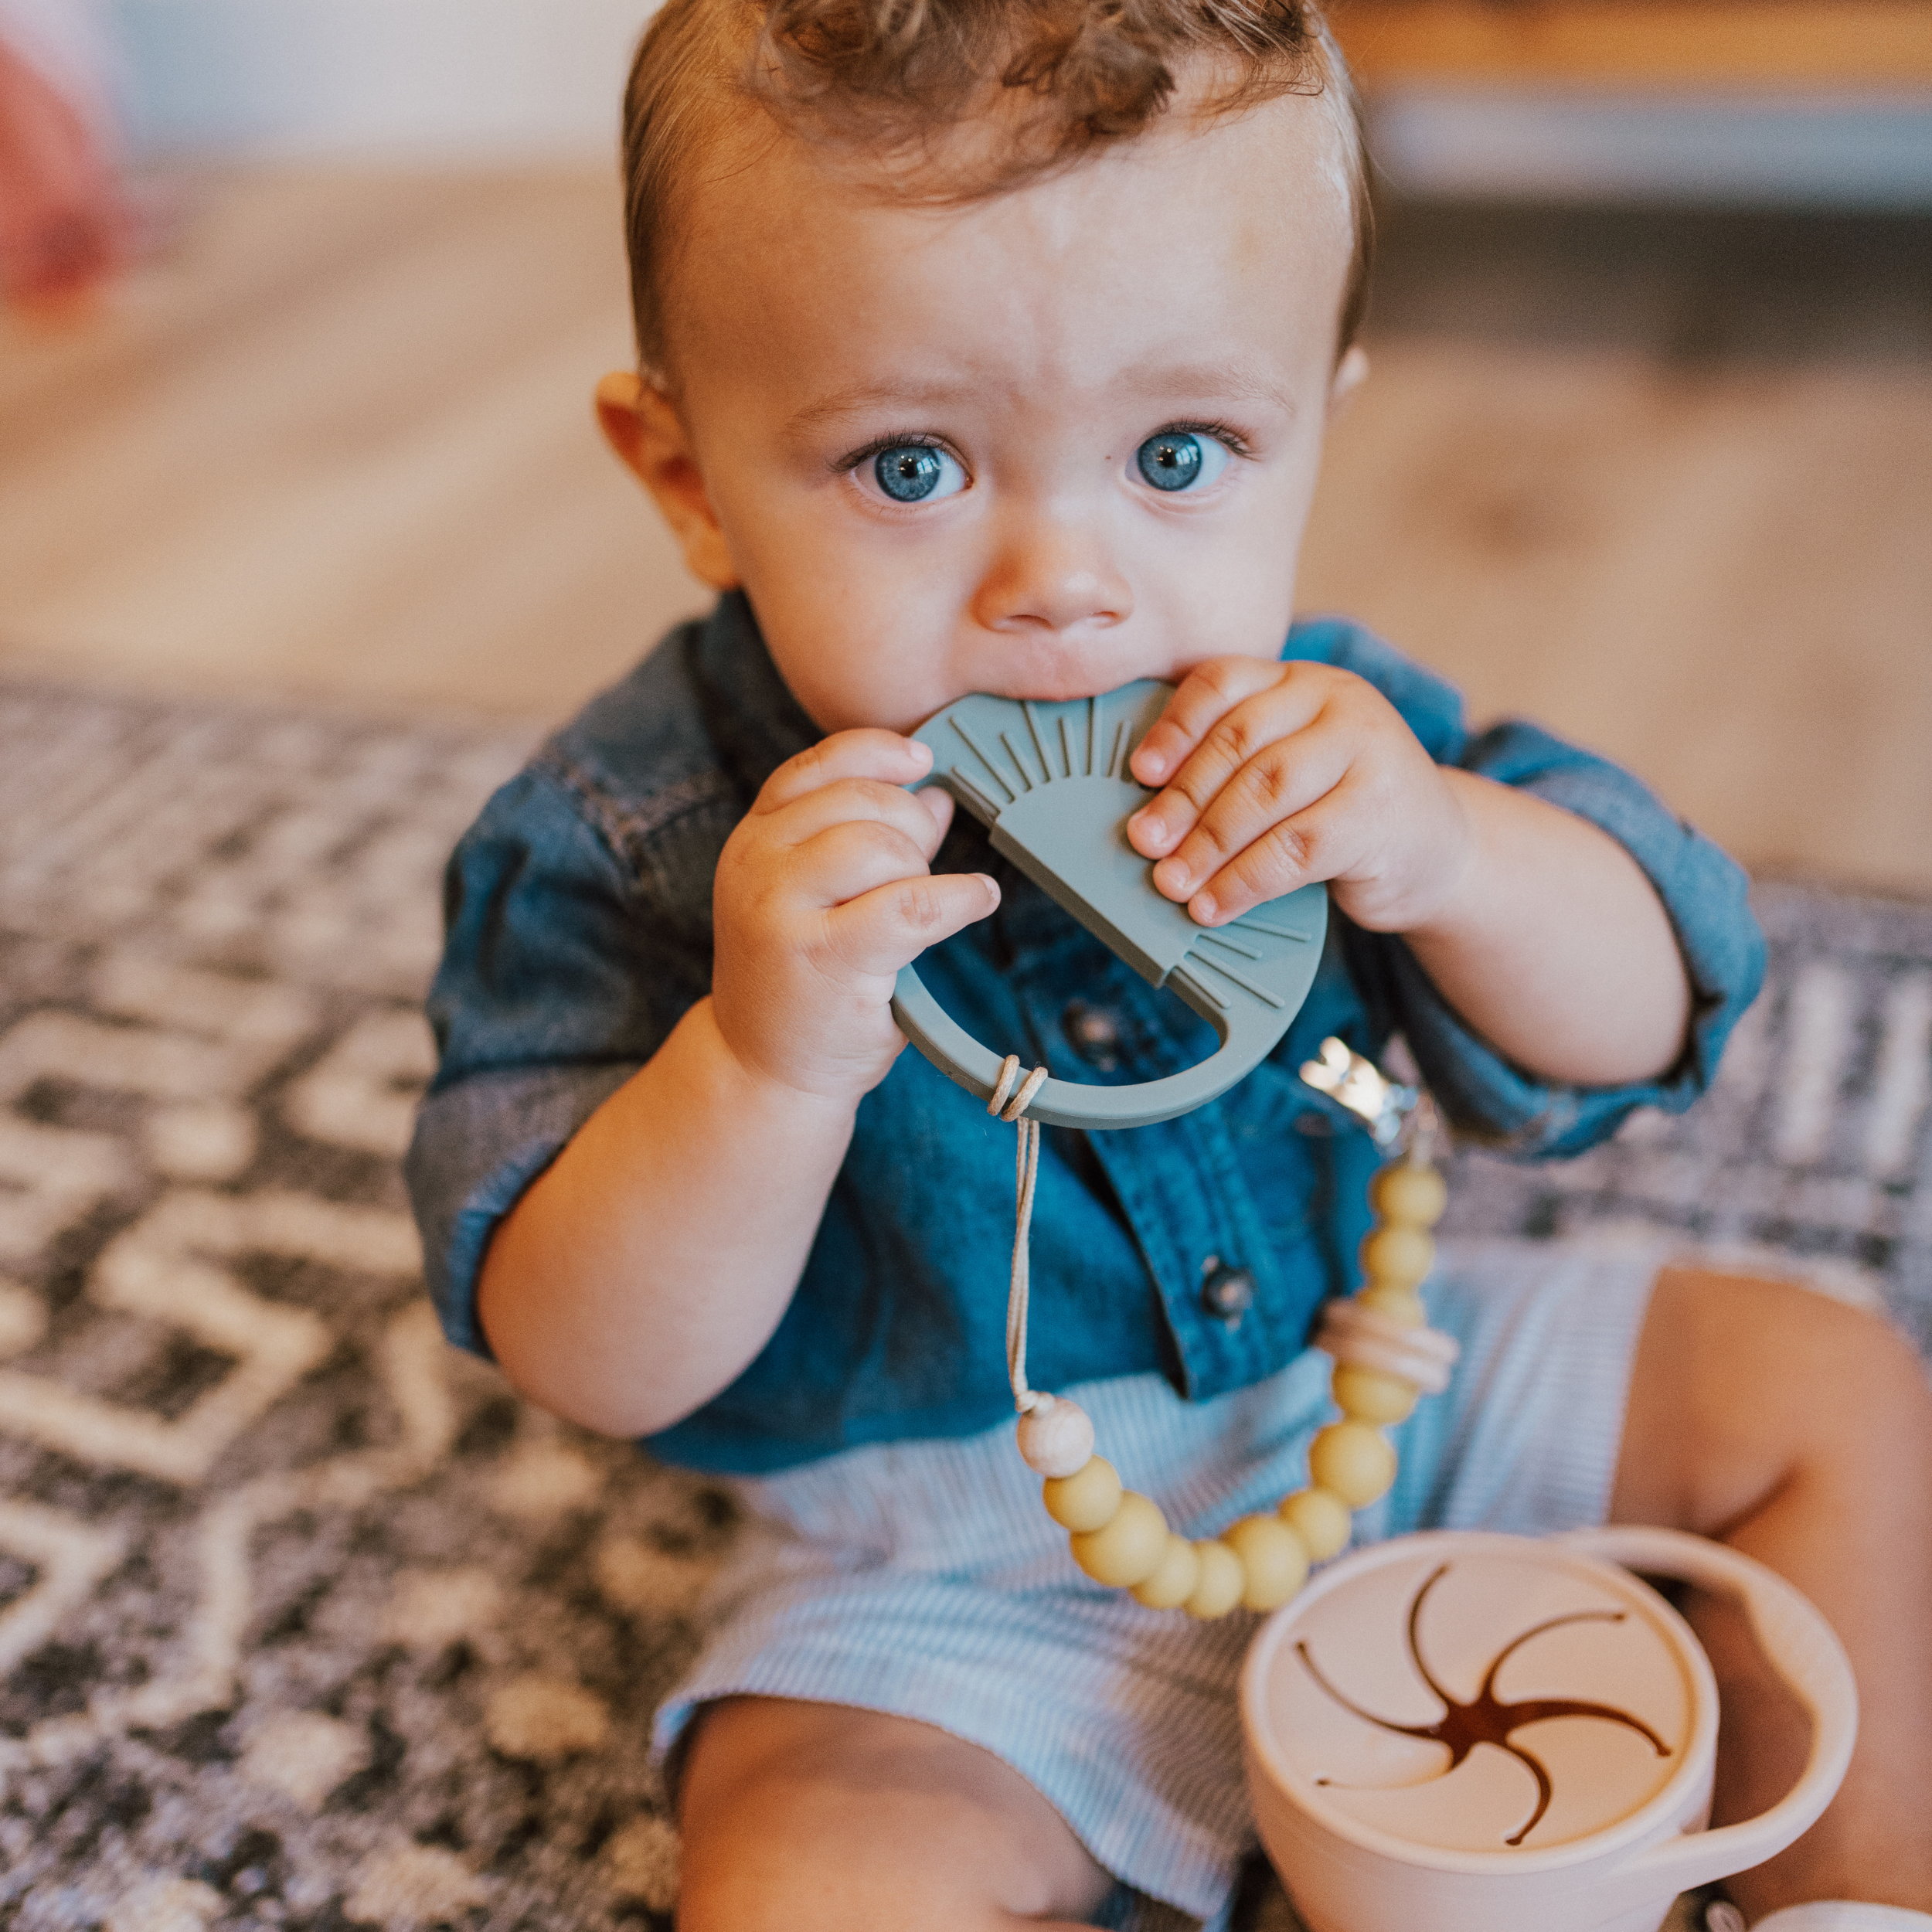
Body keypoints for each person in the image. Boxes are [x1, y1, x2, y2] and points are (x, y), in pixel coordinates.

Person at [406, 3, 1932, 1927]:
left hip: (1377, 1389)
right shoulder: (627, 840)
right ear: (691, 475)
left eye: (1181, 449)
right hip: (946, 1571)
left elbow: (1646, 1019)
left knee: (1826, 1382)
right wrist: (758, 1062)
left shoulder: (1326, 732)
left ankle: (1853, 1896)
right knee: (807, 1867)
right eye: (906, 468)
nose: (1064, 580)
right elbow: (580, 1345)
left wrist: (1448, 853)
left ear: (1318, 422)